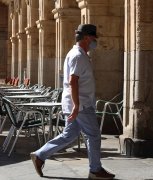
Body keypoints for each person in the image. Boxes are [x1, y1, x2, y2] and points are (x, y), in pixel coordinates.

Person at [30, 24, 115, 179]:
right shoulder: (78, 56)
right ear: (87, 37)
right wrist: (77, 105)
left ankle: (40, 155)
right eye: (94, 38)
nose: (95, 41)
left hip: (75, 103)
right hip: (81, 104)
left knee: (69, 135)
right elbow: (73, 81)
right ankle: (95, 170)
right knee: (94, 135)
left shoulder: (77, 54)